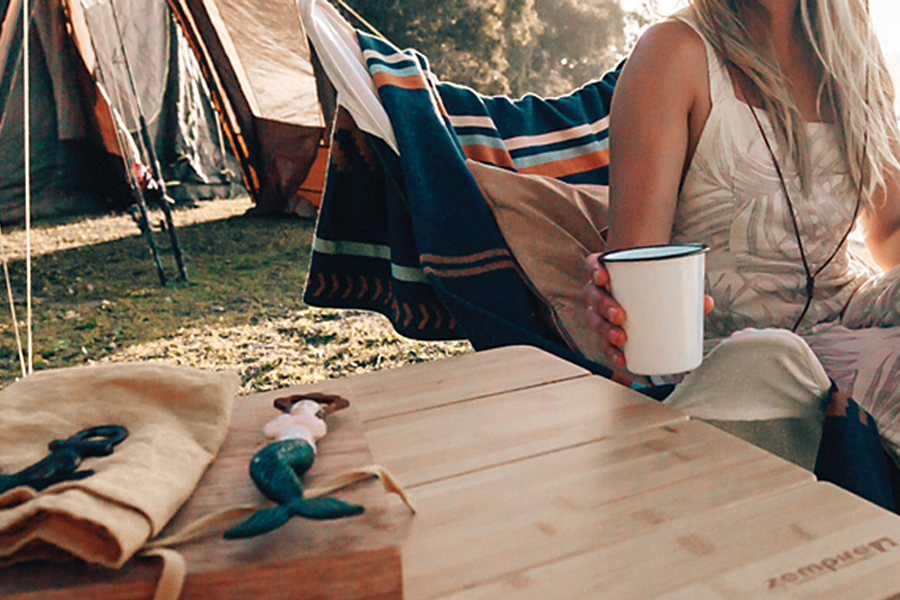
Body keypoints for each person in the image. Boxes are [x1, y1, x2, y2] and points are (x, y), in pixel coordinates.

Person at [584, 0, 900, 468]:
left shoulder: (854, 59)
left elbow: (891, 231)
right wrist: (614, 309)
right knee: (769, 356)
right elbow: (637, 291)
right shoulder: (674, 54)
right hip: (730, 363)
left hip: (846, 324)